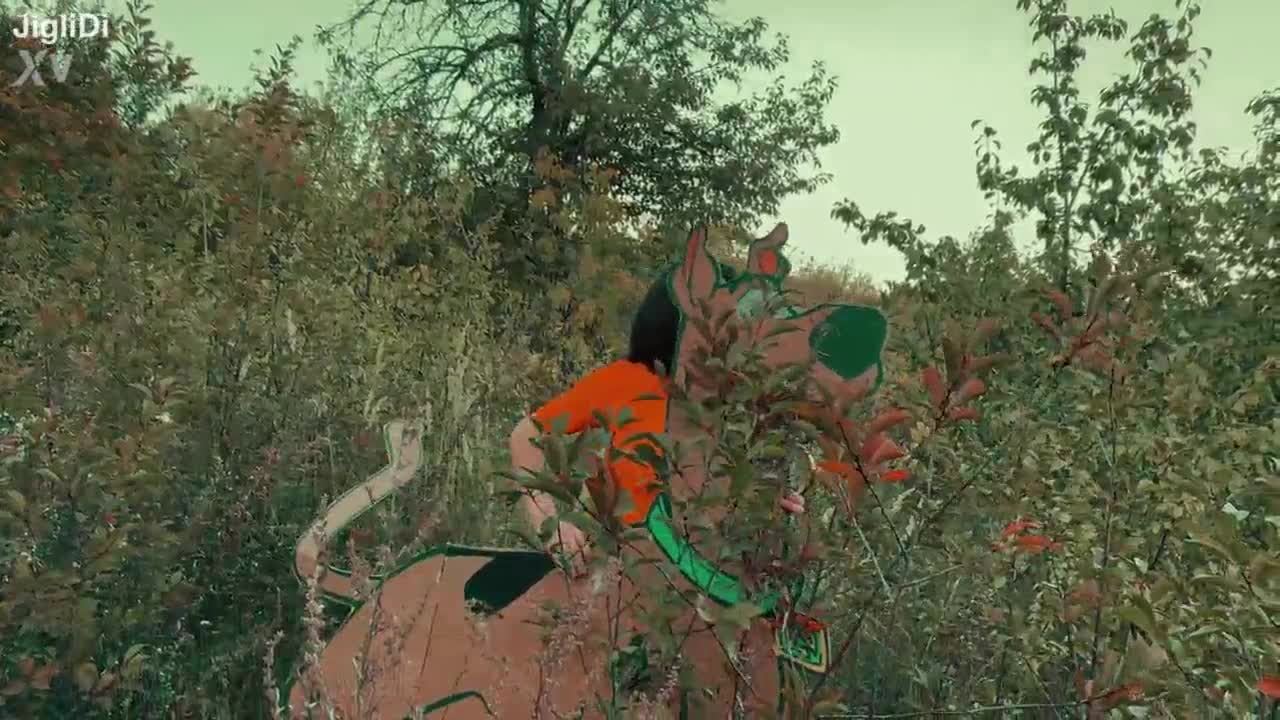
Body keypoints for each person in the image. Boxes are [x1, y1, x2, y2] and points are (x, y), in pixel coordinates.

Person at [508, 272, 805, 572]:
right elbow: (527, 435)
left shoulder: (738, 404)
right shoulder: (628, 381)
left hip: (706, 581)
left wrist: (768, 505)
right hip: (620, 578)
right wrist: (552, 525)